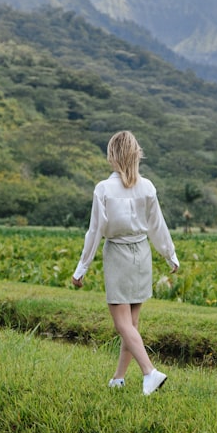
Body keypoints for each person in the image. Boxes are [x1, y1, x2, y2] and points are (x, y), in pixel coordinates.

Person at [72, 131, 179, 395]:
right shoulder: (147, 186)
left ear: (112, 156)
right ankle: (119, 378)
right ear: (136, 155)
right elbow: (158, 226)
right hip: (142, 254)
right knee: (131, 324)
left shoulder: (104, 189)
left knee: (122, 324)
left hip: (118, 254)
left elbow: (94, 231)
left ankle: (149, 372)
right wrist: (170, 254)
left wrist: (81, 268)